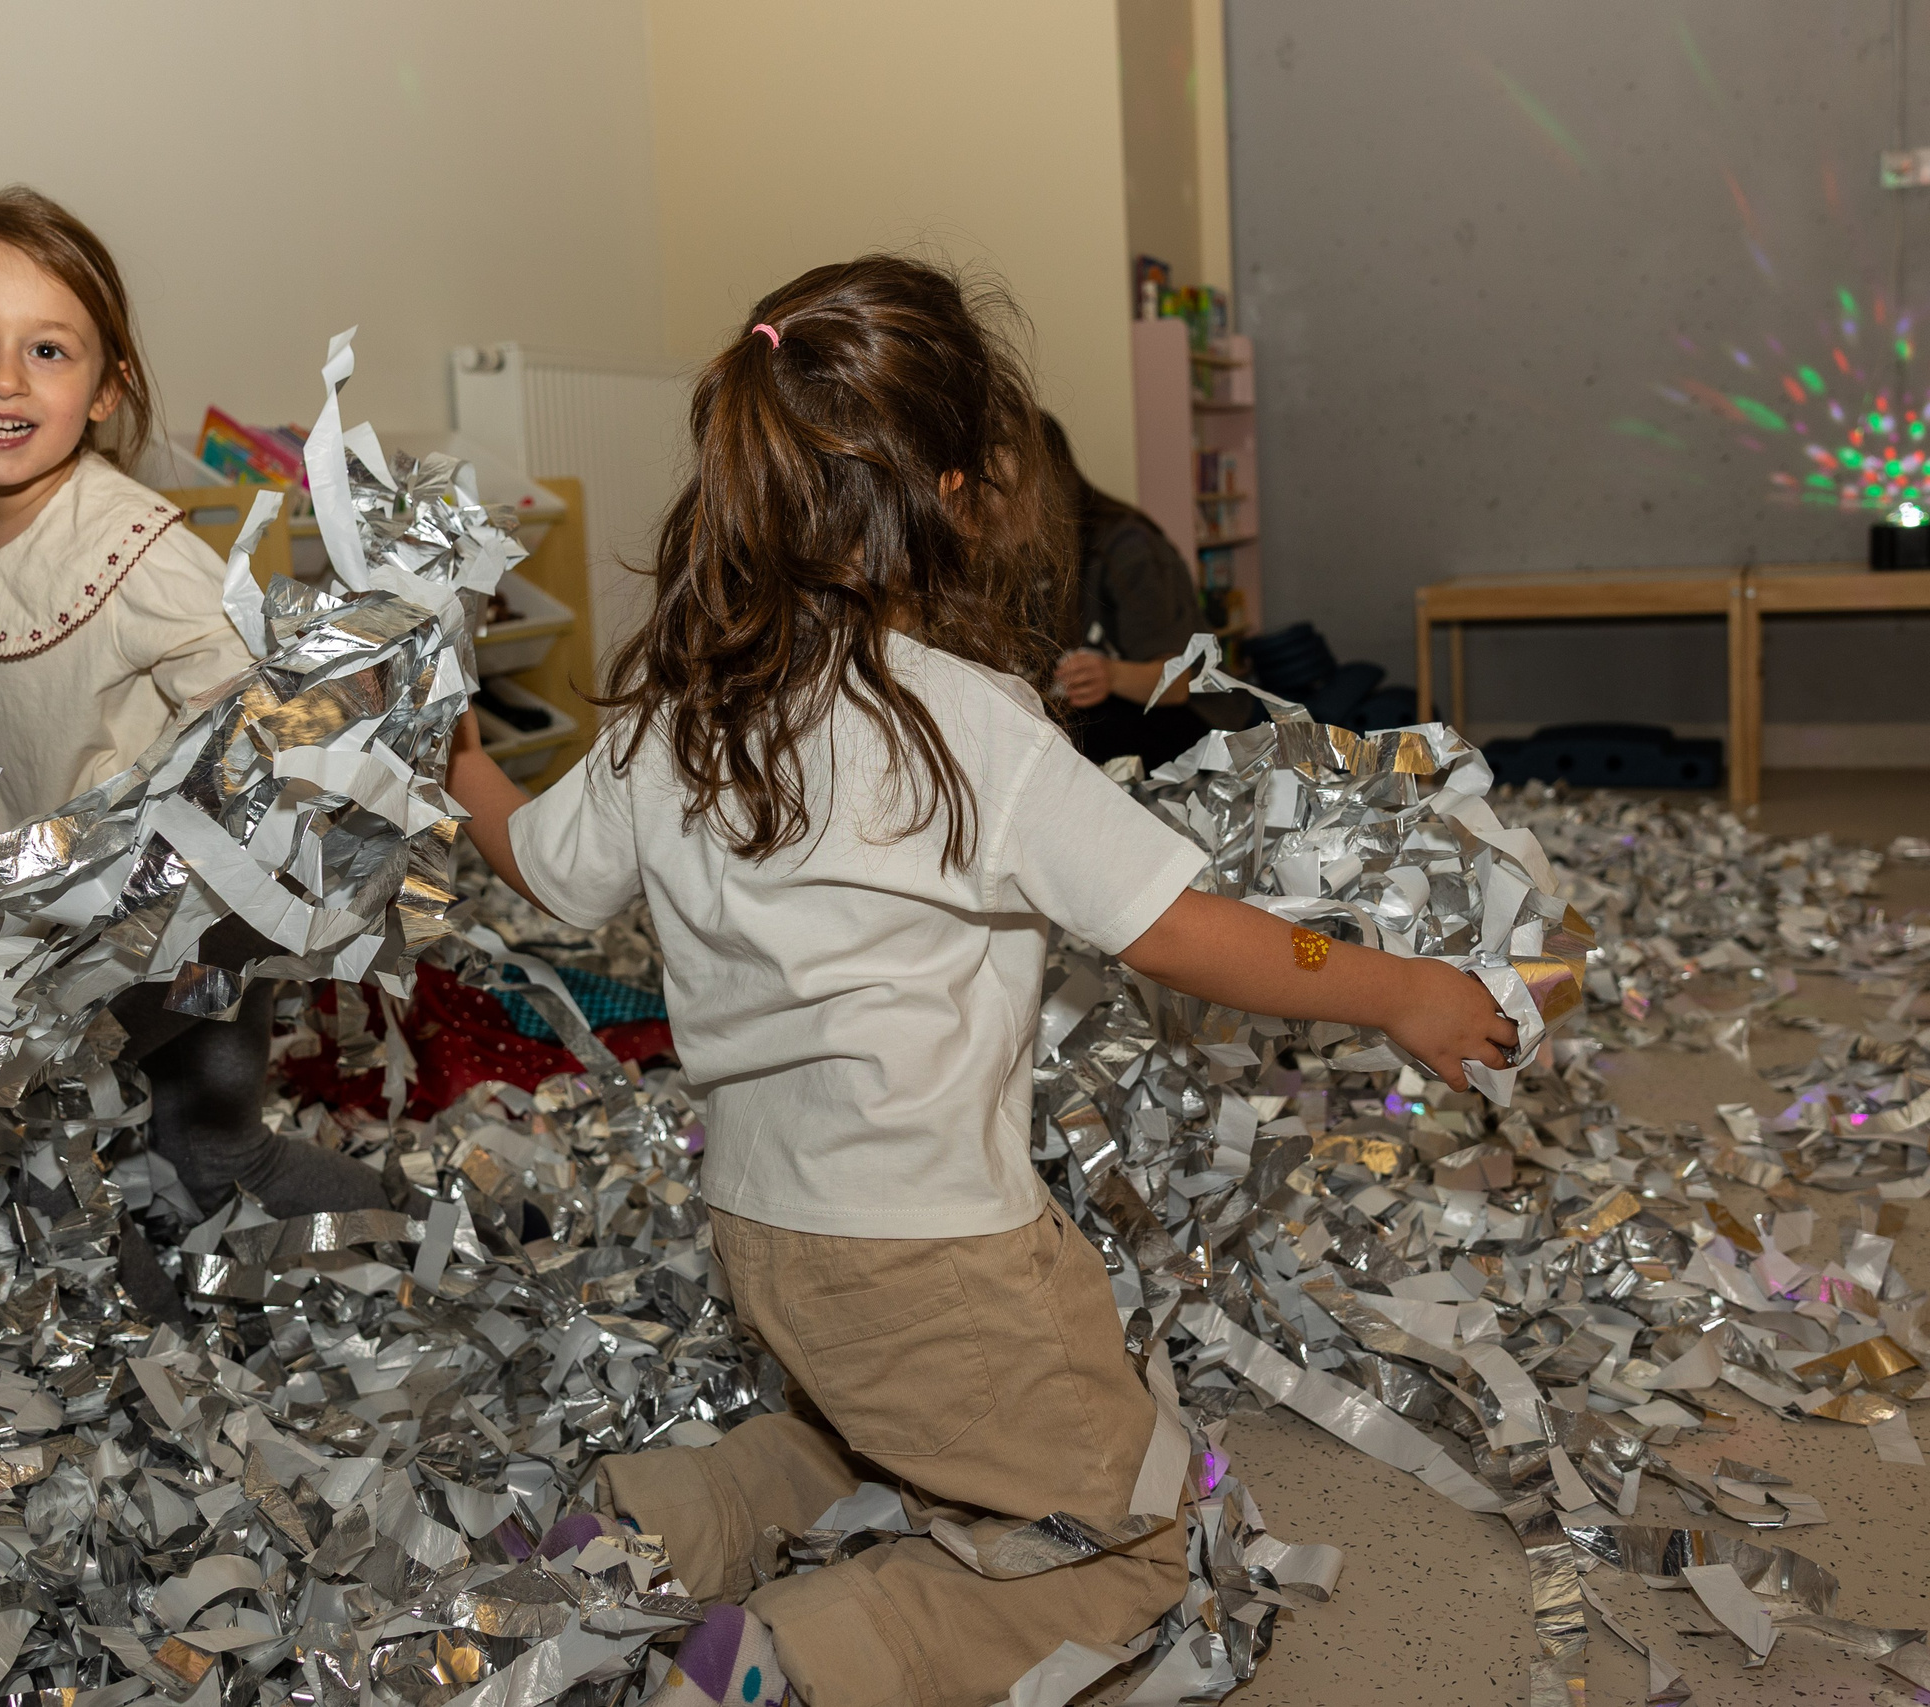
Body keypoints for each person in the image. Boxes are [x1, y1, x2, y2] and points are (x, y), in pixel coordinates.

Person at [442, 257, 1517, 1707]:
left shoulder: (678, 713)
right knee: (1125, 1542)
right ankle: (792, 1661)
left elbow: (550, 873)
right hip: (936, 1255)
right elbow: (1177, 929)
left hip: (763, 1228)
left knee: (861, 1427)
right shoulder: (976, 728)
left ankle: (643, 1527)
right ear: (954, 489)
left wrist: (455, 759)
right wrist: (1392, 986)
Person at [0, 187, 382, 1222]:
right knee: (112, 1136)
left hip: (176, 906)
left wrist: (330, 724)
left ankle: (380, 1221)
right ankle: (143, 1265)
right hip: (40, 897)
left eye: (49, 351)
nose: (5, 377)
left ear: (106, 389)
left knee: (166, 1133)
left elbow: (262, 718)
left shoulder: (134, 548)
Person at [1037, 411, 1252, 769]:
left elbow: (1179, 680)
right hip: (1116, 718)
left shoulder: (1127, 548)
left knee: (1073, 749)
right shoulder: (1011, 553)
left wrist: (1110, 675)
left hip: (1199, 723)